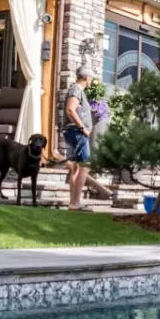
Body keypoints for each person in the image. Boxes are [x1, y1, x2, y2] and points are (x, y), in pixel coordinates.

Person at [63, 65, 93, 211]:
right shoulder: (76, 89)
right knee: (85, 166)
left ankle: (73, 203)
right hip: (77, 132)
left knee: (76, 167)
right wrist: (83, 128)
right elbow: (70, 109)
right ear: (86, 78)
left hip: (75, 132)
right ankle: (75, 202)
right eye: (91, 78)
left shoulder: (77, 90)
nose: (92, 81)